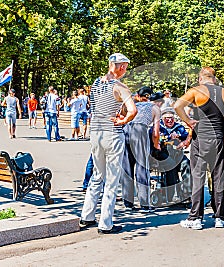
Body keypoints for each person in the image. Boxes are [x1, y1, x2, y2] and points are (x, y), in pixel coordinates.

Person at [80, 52, 137, 234]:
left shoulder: (95, 84)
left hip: (95, 133)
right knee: (112, 180)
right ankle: (105, 223)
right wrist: (123, 120)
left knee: (97, 175)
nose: (125, 71)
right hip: (112, 134)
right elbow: (133, 110)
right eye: (125, 67)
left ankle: (87, 216)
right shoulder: (120, 87)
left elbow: (97, 107)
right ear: (120, 66)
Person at [175, 67, 224, 229]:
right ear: (214, 79)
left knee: (198, 177)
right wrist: (223, 140)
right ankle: (219, 217)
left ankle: (195, 217)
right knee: (218, 178)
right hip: (217, 138)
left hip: (200, 139)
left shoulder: (197, 91)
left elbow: (177, 106)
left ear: (200, 79)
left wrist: (188, 121)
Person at [121, 86, 161, 212]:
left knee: (126, 167)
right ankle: (144, 203)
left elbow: (122, 115)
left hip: (126, 130)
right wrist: (156, 145)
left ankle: (128, 203)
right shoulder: (155, 108)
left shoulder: (132, 104)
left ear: (138, 95)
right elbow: (155, 132)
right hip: (140, 131)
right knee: (142, 167)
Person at [149, 106, 192, 203]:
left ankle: (187, 195)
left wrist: (181, 140)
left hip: (177, 154)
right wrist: (169, 138)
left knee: (186, 164)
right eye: (166, 118)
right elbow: (153, 138)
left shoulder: (179, 128)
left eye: (171, 118)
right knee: (170, 165)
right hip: (161, 155)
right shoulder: (157, 127)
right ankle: (170, 196)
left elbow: (187, 137)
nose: (169, 120)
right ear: (162, 119)